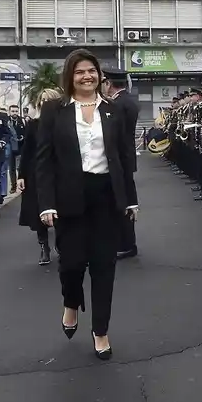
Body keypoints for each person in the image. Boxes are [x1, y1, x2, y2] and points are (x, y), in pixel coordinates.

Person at [36, 49, 139, 360]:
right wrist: (46, 203)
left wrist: (130, 200)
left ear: (99, 76)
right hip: (69, 197)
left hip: (106, 196)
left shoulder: (113, 110)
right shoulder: (55, 110)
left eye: (92, 71)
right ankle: (71, 301)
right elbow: (43, 161)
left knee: (104, 266)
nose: (87, 76)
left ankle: (101, 330)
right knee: (71, 264)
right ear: (70, 76)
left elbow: (124, 158)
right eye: (80, 71)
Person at [18, 88, 61, 265]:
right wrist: (21, 175)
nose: (44, 103)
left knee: (61, 210)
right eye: (41, 100)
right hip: (36, 173)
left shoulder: (63, 123)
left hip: (60, 172)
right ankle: (44, 247)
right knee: (39, 212)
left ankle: (61, 245)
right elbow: (26, 151)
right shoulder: (33, 124)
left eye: (48, 100)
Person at [104, 69, 142, 259]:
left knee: (124, 200)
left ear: (109, 84)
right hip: (125, 157)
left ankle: (127, 244)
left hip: (120, 158)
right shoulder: (128, 100)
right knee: (124, 198)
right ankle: (124, 241)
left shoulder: (117, 104)